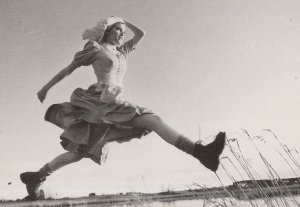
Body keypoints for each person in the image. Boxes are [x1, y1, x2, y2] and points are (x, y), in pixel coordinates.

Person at [20, 16, 226, 201]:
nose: (122, 34)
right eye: (118, 30)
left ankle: (38, 177)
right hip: (102, 101)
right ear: (106, 30)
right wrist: (45, 88)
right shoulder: (95, 48)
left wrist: (123, 19)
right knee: (153, 120)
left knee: (80, 151)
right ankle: (201, 152)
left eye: (123, 32)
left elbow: (141, 34)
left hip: (114, 102)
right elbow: (68, 69)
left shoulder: (122, 53)